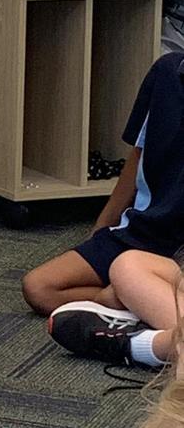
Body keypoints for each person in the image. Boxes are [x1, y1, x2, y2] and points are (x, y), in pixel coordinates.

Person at [23, 52, 184, 370]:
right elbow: (137, 157)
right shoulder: (167, 71)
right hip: (144, 231)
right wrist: (102, 227)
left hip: (178, 253)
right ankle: (138, 306)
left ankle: (142, 320)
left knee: (126, 273)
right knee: (39, 287)